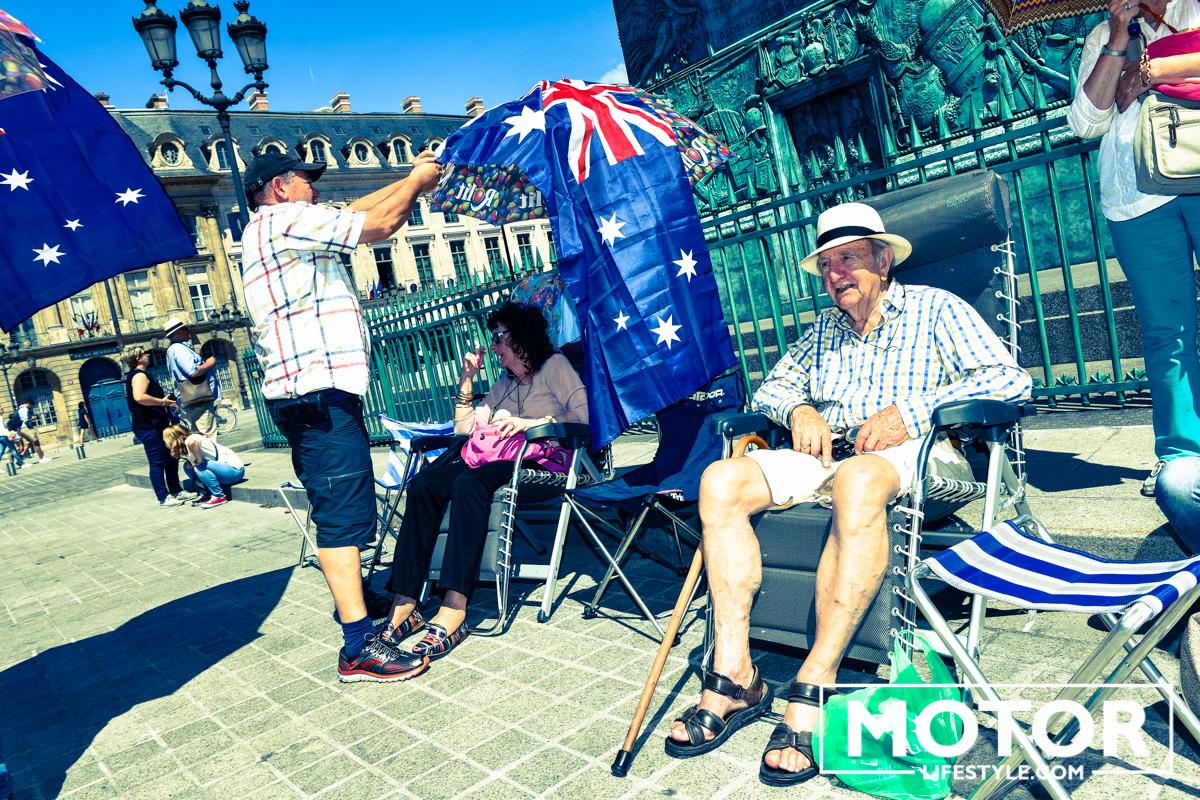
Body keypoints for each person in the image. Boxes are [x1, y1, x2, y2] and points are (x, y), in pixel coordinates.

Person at [666, 203, 1031, 785]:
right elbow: (772, 388)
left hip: (920, 451)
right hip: (828, 456)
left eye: (849, 259)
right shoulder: (822, 331)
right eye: (827, 264)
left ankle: (816, 681)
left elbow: (1010, 378)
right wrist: (799, 408)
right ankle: (735, 675)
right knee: (720, 480)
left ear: (883, 261)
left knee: (858, 479)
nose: (836, 274)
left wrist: (911, 412)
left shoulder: (936, 309)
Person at [241, 148, 442, 682]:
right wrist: (417, 184)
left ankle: (358, 600)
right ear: (279, 187)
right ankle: (357, 647)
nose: (316, 189)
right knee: (341, 515)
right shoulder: (285, 221)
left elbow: (354, 210)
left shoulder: (276, 226)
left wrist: (407, 177)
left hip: (309, 395)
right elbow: (380, 223)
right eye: (306, 180)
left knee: (343, 505)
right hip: (318, 394)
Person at [375, 302, 588, 680]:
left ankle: (455, 607)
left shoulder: (554, 367)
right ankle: (406, 601)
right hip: (499, 461)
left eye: (499, 337)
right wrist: (466, 381)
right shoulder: (504, 384)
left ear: (522, 337)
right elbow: (463, 430)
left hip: (543, 462)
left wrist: (530, 423)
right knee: (424, 484)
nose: (493, 346)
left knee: (468, 483)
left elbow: (585, 417)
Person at [1067, 0, 1200, 497]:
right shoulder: (1103, 35)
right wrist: (1118, 38)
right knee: (1168, 333)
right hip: (1136, 200)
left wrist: (1148, 73)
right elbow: (1085, 123)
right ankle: (1183, 459)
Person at [123, 346, 198, 508]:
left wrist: (164, 402)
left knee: (171, 457)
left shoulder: (143, 374)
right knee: (157, 462)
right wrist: (163, 402)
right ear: (137, 358)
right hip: (148, 425)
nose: (148, 354)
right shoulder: (138, 375)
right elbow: (139, 397)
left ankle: (176, 490)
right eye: (144, 353)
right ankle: (163, 497)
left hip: (158, 423)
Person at [163, 424, 245, 509]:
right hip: (226, 472)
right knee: (187, 467)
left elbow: (193, 444)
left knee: (200, 467)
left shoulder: (190, 440)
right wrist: (192, 462)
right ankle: (208, 494)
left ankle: (219, 496)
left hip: (235, 471)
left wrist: (198, 461)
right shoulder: (187, 443)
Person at [164, 317, 221, 438]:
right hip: (199, 397)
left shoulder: (172, 349)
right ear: (178, 332)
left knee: (197, 435)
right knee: (207, 434)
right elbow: (193, 372)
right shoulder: (179, 349)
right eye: (186, 329)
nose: (189, 331)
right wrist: (208, 364)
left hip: (192, 397)